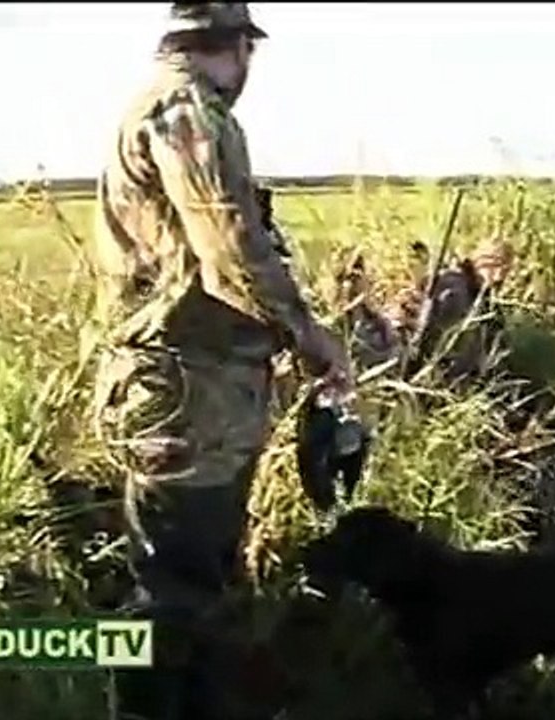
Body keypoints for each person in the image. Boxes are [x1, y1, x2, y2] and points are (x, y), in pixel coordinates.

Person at [88, 3, 353, 717]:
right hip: (184, 389)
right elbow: (230, 246)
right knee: (170, 592)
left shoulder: (160, 104)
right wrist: (309, 333)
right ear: (239, 48)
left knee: (188, 584)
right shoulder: (189, 111)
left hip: (187, 384)